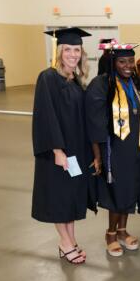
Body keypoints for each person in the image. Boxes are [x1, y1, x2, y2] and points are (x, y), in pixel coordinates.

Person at [32, 27, 94, 264]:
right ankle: (65, 242)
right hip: (57, 151)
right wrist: (58, 150)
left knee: (70, 197)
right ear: (59, 52)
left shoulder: (75, 79)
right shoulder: (48, 77)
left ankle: (71, 240)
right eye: (67, 49)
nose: (72, 54)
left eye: (76, 50)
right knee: (59, 198)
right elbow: (46, 116)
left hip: (75, 150)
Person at [86, 43, 140, 256]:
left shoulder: (136, 83)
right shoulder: (101, 84)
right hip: (113, 148)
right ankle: (111, 234)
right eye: (122, 61)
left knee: (129, 189)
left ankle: (122, 231)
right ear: (113, 63)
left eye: (131, 61)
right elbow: (94, 122)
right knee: (116, 192)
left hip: (134, 148)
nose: (128, 65)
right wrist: (97, 155)